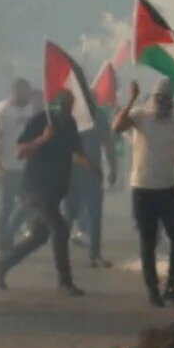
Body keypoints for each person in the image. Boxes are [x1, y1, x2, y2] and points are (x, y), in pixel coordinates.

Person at [0, 90, 91, 295]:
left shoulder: (70, 124)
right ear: (57, 105)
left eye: (71, 105)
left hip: (56, 190)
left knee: (39, 236)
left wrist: (91, 167)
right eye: (65, 105)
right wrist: (42, 139)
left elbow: (75, 152)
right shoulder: (40, 121)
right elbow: (20, 151)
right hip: (36, 187)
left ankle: (1, 266)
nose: (67, 110)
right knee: (61, 230)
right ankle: (65, 282)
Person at [112, 79, 174, 308]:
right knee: (148, 240)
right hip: (142, 188)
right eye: (160, 97)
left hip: (167, 188)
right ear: (153, 97)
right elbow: (117, 127)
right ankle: (152, 289)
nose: (164, 102)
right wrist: (131, 98)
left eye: (168, 98)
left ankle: (172, 287)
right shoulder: (140, 116)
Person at [0, 79, 38, 258]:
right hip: (6, 168)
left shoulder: (32, 109)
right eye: (24, 92)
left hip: (27, 167)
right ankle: (2, 244)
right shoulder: (0, 111)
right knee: (5, 206)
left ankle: (14, 230)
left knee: (31, 203)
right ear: (15, 91)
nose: (27, 96)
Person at [64, 99, 117, 270]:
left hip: (92, 174)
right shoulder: (71, 117)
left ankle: (95, 254)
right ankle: (61, 253)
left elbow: (107, 142)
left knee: (95, 215)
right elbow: (70, 149)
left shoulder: (98, 116)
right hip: (72, 174)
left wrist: (112, 167)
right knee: (69, 214)